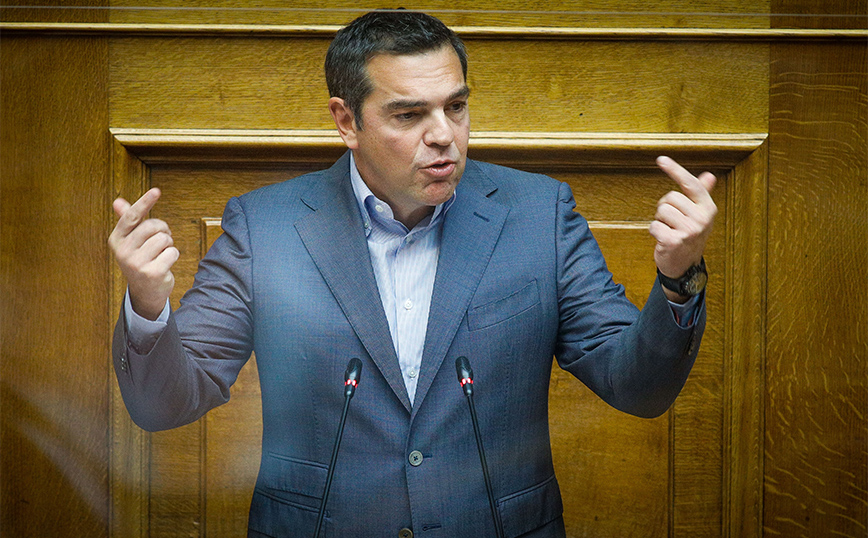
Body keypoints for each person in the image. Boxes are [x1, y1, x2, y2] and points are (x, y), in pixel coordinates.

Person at [109, 10, 716, 538]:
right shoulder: (264, 227)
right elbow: (166, 406)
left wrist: (678, 278)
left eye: (456, 107)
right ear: (346, 121)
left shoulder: (540, 216)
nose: (444, 135)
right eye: (409, 115)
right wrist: (148, 305)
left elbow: (637, 388)